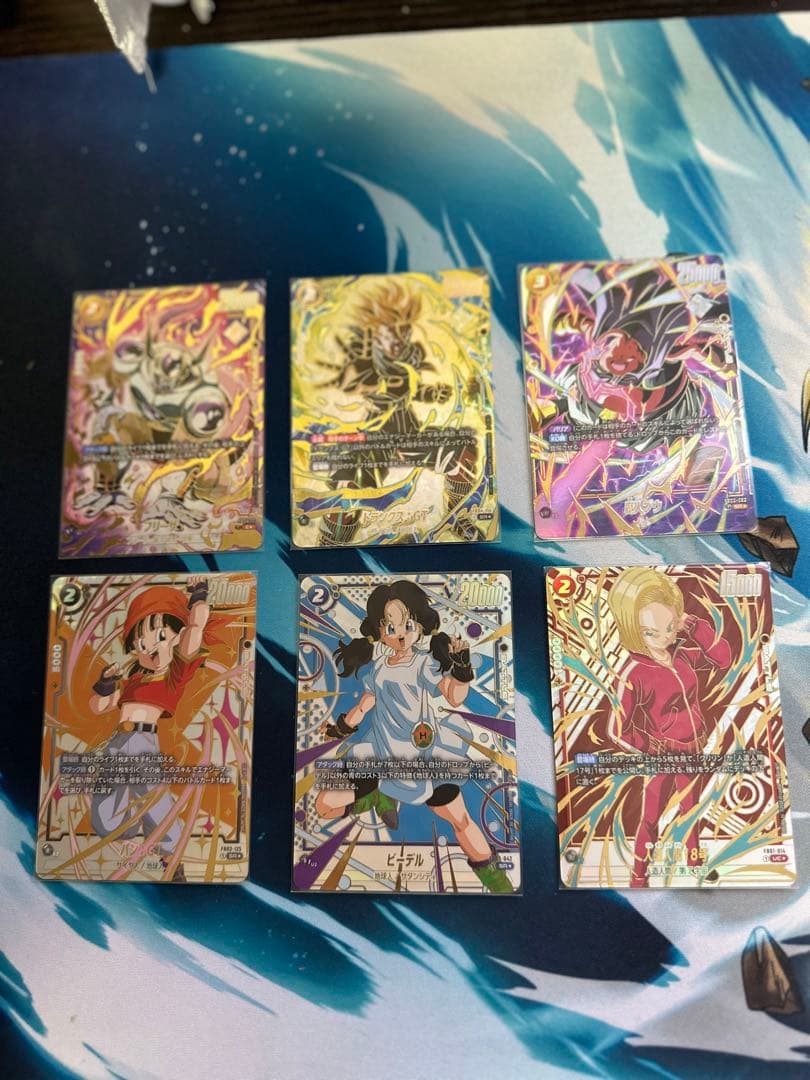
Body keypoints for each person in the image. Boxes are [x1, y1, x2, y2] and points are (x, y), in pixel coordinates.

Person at [316, 579, 513, 893]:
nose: (400, 633)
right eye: (390, 626)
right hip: (381, 756)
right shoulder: (378, 668)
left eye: (408, 624)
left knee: (461, 821)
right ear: (379, 630)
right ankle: (375, 796)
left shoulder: (423, 663)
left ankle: (500, 886)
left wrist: (462, 671)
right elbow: (365, 704)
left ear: (420, 625)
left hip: (424, 759)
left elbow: (453, 697)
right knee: (324, 805)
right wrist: (340, 728)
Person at [606, 567, 731, 887]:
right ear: (634, 630)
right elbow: (617, 728)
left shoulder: (683, 657)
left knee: (691, 811)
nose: (663, 638)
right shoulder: (633, 672)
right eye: (651, 632)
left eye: (669, 627)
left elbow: (722, 659)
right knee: (650, 818)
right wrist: (652, 747)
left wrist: (693, 625)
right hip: (661, 756)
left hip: (693, 750)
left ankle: (694, 864)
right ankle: (639, 875)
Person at [88, 577, 213, 881]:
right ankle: (131, 830)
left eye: (160, 636)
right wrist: (105, 684)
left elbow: (195, 630)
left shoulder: (174, 673)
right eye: (141, 644)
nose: (150, 649)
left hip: (143, 740)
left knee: (154, 799)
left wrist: (198, 596)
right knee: (104, 812)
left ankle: (171, 856)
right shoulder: (133, 680)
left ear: (177, 636)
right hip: (118, 741)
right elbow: (99, 707)